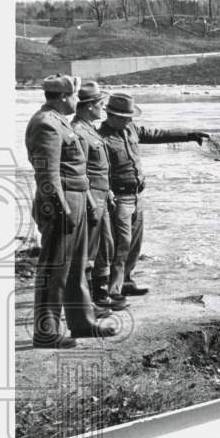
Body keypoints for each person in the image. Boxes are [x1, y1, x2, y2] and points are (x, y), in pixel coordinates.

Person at [25, 75, 119, 348]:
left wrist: (86, 200)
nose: (78, 102)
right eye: (76, 96)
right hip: (60, 201)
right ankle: (46, 332)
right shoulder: (46, 124)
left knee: (76, 267)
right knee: (53, 269)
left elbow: (75, 170)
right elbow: (47, 173)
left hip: (75, 198)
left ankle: (82, 323)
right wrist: (60, 208)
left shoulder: (59, 121)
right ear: (65, 96)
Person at [98, 93, 210, 297]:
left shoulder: (131, 129)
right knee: (121, 244)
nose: (130, 120)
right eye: (125, 116)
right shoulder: (101, 137)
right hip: (119, 198)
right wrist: (107, 194)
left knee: (135, 243)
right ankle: (113, 291)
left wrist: (190, 135)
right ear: (111, 115)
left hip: (137, 195)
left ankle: (127, 282)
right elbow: (97, 171)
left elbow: (158, 134)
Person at [71, 81, 127, 314]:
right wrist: (92, 201)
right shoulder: (79, 131)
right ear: (89, 106)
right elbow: (80, 170)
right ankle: (92, 300)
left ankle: (100, 294)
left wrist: (109, 191)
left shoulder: (89, 128)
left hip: (102, 195)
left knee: (106, 246)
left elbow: (99, 167)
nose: (102, 109)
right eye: (100, 104)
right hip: (91, 197)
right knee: (91, 251)